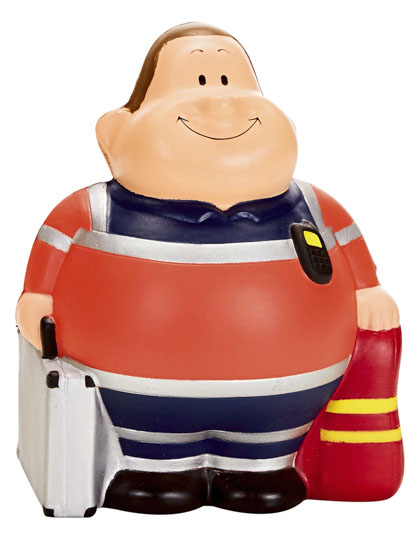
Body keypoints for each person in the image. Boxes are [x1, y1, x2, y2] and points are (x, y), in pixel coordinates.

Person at [16, 23, 402, 514]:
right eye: (198, 81)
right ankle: (152, 469)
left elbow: (353, 254)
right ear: (114, 133)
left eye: (228, 80)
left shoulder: (312, 205)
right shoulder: (95, 211)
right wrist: (36, 300)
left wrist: (367, 290)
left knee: (263, 460)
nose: (221, 103)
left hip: (284, 410)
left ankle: (261, 467)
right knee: (151, 448)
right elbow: (50, 256)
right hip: (132, 405)